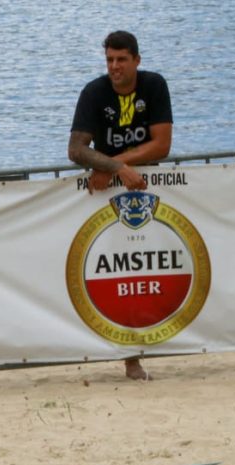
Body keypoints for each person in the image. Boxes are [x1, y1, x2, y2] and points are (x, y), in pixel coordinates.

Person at [68, 30, 173, 381]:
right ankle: (130, 358)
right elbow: (76, 150)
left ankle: (160, 345)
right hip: (109, 195)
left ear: (137, 61)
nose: (114, 66)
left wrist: (115, 164)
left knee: (154, 272)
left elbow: (161, 146)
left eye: (121, 60)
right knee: (117, 274)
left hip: (152, 191)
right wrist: (116, 169)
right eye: (109, 60)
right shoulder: (94, 92)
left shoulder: (154, 85)